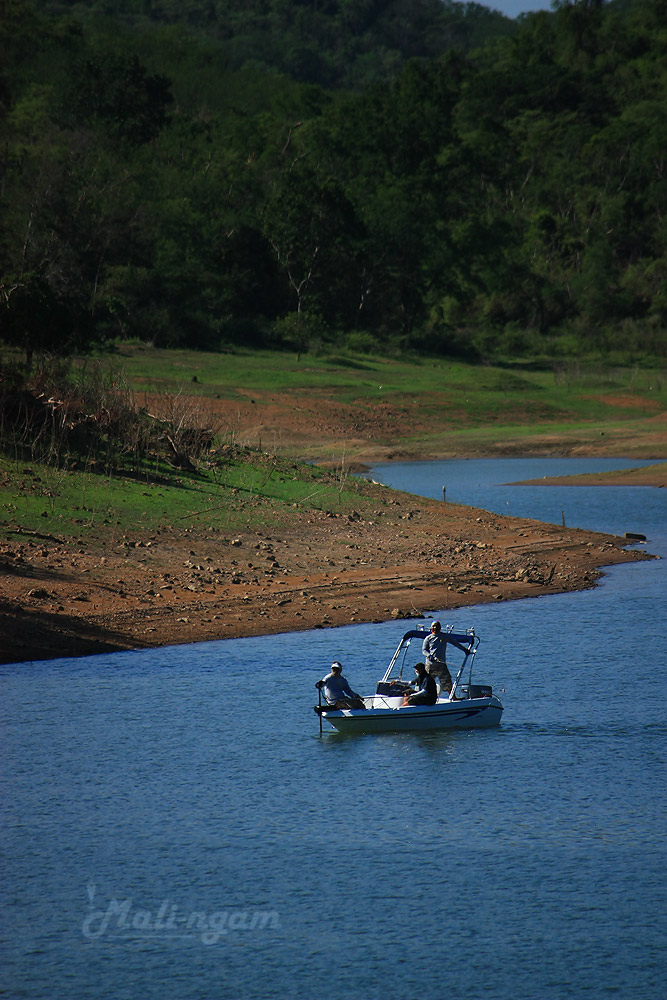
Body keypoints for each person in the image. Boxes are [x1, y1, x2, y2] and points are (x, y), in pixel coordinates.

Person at [422, 620, 452, 695]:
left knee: (447, 682)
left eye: (437, 626)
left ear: (440, 627)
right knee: (428, 683)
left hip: (441, 665)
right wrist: (429, 655)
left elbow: (455, 643)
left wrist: (465, 650)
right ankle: (426, 698)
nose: (435, 628)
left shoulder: (444, 636)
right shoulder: (428, 638)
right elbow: (424, 650)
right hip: (430, 665)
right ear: (431, 628)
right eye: (433, 626)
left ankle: (453, 697)